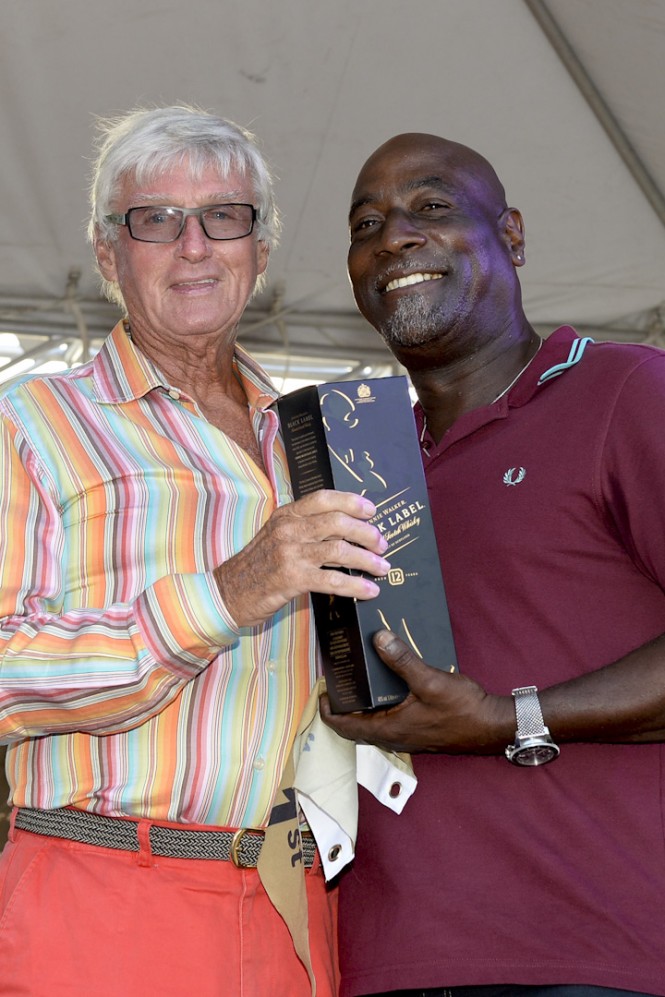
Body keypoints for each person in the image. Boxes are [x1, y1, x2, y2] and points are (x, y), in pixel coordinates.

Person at [0, 105, 391, 996]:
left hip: (297, 899)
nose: (194, 246)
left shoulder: (323, 444)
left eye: (224, 216)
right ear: (108, 254)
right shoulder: (29, 423)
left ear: (257, 250)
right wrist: (224, 595)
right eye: (155, 220)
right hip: (96, 896)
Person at [321, 131, 665, 997]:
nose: (393, 235)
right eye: (366, 223)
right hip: (382, 961)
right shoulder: (354, 469)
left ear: (510, 235)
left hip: (588, 957)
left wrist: (511, 718)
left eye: (431, 208)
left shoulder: (624, 392)